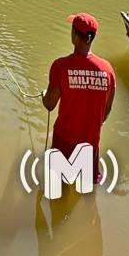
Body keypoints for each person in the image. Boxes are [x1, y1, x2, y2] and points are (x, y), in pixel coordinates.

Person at [42, 13, 116, 182]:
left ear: (75, 35)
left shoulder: (61, 66)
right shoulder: (108, 70)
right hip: (90, 145)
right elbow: (107, 110)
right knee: (86, 190)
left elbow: (49, 104)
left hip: (64, 142)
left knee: (57, 187)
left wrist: (44, 96)